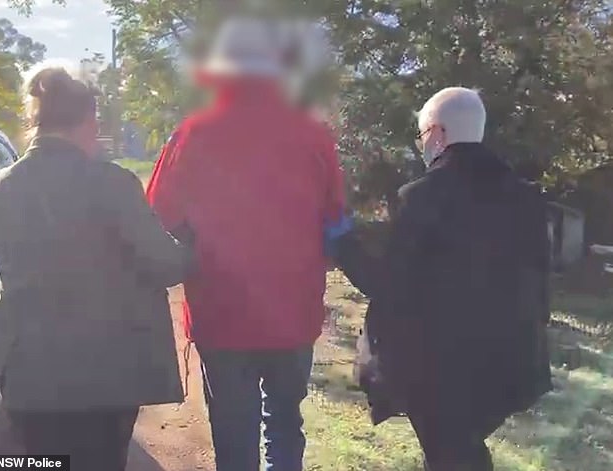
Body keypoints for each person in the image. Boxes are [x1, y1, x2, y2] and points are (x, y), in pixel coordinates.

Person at [147, 18, 346, 471]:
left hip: (222, 313)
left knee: (234, 431)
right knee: (283, 423)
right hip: (293, 312)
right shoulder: (313, 134)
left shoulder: (194, 134)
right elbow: (337, 218)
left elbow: (157, 214)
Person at [0, 66, 195, 470]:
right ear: (88, 121)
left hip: (30, 378)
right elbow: (165, 264)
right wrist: (191, 245)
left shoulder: (2, 185)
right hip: (103, 381)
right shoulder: (112, 182)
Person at [335, 87, 552, 471]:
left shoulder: (421, 197)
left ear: (437, 133)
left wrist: (342, 243)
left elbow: (387, 280)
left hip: (440, 370)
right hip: (510, 361)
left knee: (453, 455)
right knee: (461, 450)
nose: (422, 146)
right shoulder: (528, 199)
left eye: (421, 137)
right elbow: (540, 282)